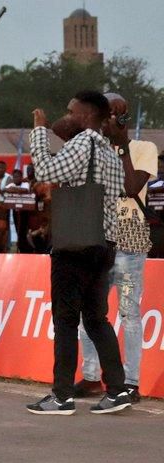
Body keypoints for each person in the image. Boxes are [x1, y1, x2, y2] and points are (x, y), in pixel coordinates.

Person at [26, 91, 130, 415]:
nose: (65, 114)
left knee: (66, 321)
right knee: (97, 319)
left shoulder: (84, 143)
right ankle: (117, 389)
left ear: (84, 116)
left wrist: (40, 132)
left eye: (69, 110)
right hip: (104, 245)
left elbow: (45, 171)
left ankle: (61, 397)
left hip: (74, 245)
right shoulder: (110, 153)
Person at [75, 93, 156, 403]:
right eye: (104, 114)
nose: (108, 120)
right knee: (90, 313)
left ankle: (131, 382)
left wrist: (121, 144)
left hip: (131, 237)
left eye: (115, 115)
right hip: (98, 238)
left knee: (128, 312)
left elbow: (131, 187)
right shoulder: (92, 150)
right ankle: (93, 376)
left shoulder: (143, 148)